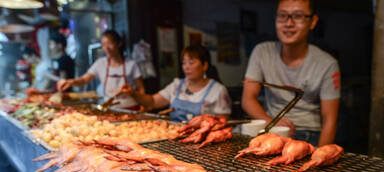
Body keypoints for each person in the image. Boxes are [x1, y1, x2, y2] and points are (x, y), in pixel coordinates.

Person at [242, 0, 340, 146]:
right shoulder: (262, 52)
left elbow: (330, 119)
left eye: (298, 16)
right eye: (282, 16)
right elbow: (248, 99)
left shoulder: (327, 64)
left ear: (312, 22)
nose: (288, 23)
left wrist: (320, 154)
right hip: (271, 128)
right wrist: (273, 123)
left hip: (308, 133)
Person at [121, 45, 232, 122]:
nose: (186, 67)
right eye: (184, 63)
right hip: (175, 139)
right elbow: (152, 101)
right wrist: (133, 93)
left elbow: (221, 123)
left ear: (204, 65)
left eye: (191, 63)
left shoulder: (218, 90)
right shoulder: (177, 85)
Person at [57, 30, 145, 109]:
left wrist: (143, 106)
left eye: (109, 43)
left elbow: (141, 89)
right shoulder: (100, 63)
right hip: (109, 108)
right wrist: (69, 82)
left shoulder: (131, 64)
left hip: (131, 106)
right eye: (103, 44)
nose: (106, 48)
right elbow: (83, 80)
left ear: (119, 43)